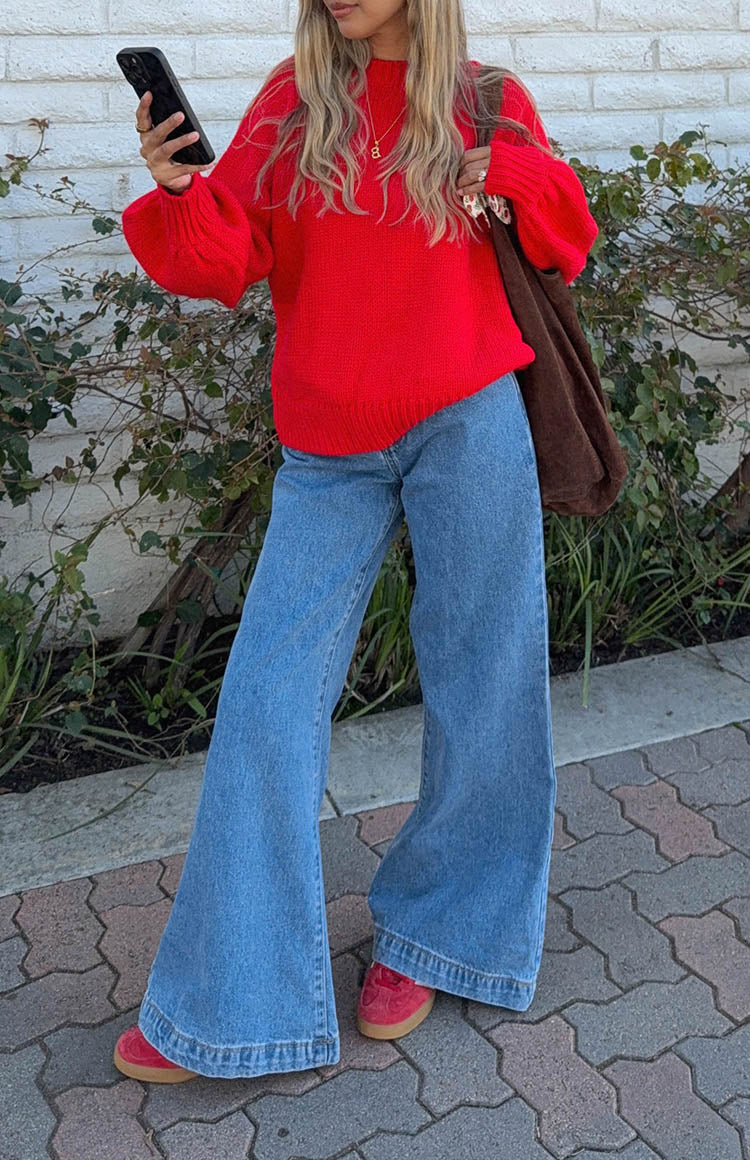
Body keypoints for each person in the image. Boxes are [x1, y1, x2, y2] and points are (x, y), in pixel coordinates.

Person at [113, 0, 599, 1084]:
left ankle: (439, 937)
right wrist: (183, 188)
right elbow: (224, 261)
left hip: (469, 424)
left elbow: (568, 233)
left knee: (486, 688)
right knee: (264, 706)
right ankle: (234, 1002)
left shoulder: (485, 100)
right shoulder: (293, 107)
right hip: (329, 449)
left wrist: (507, 174)